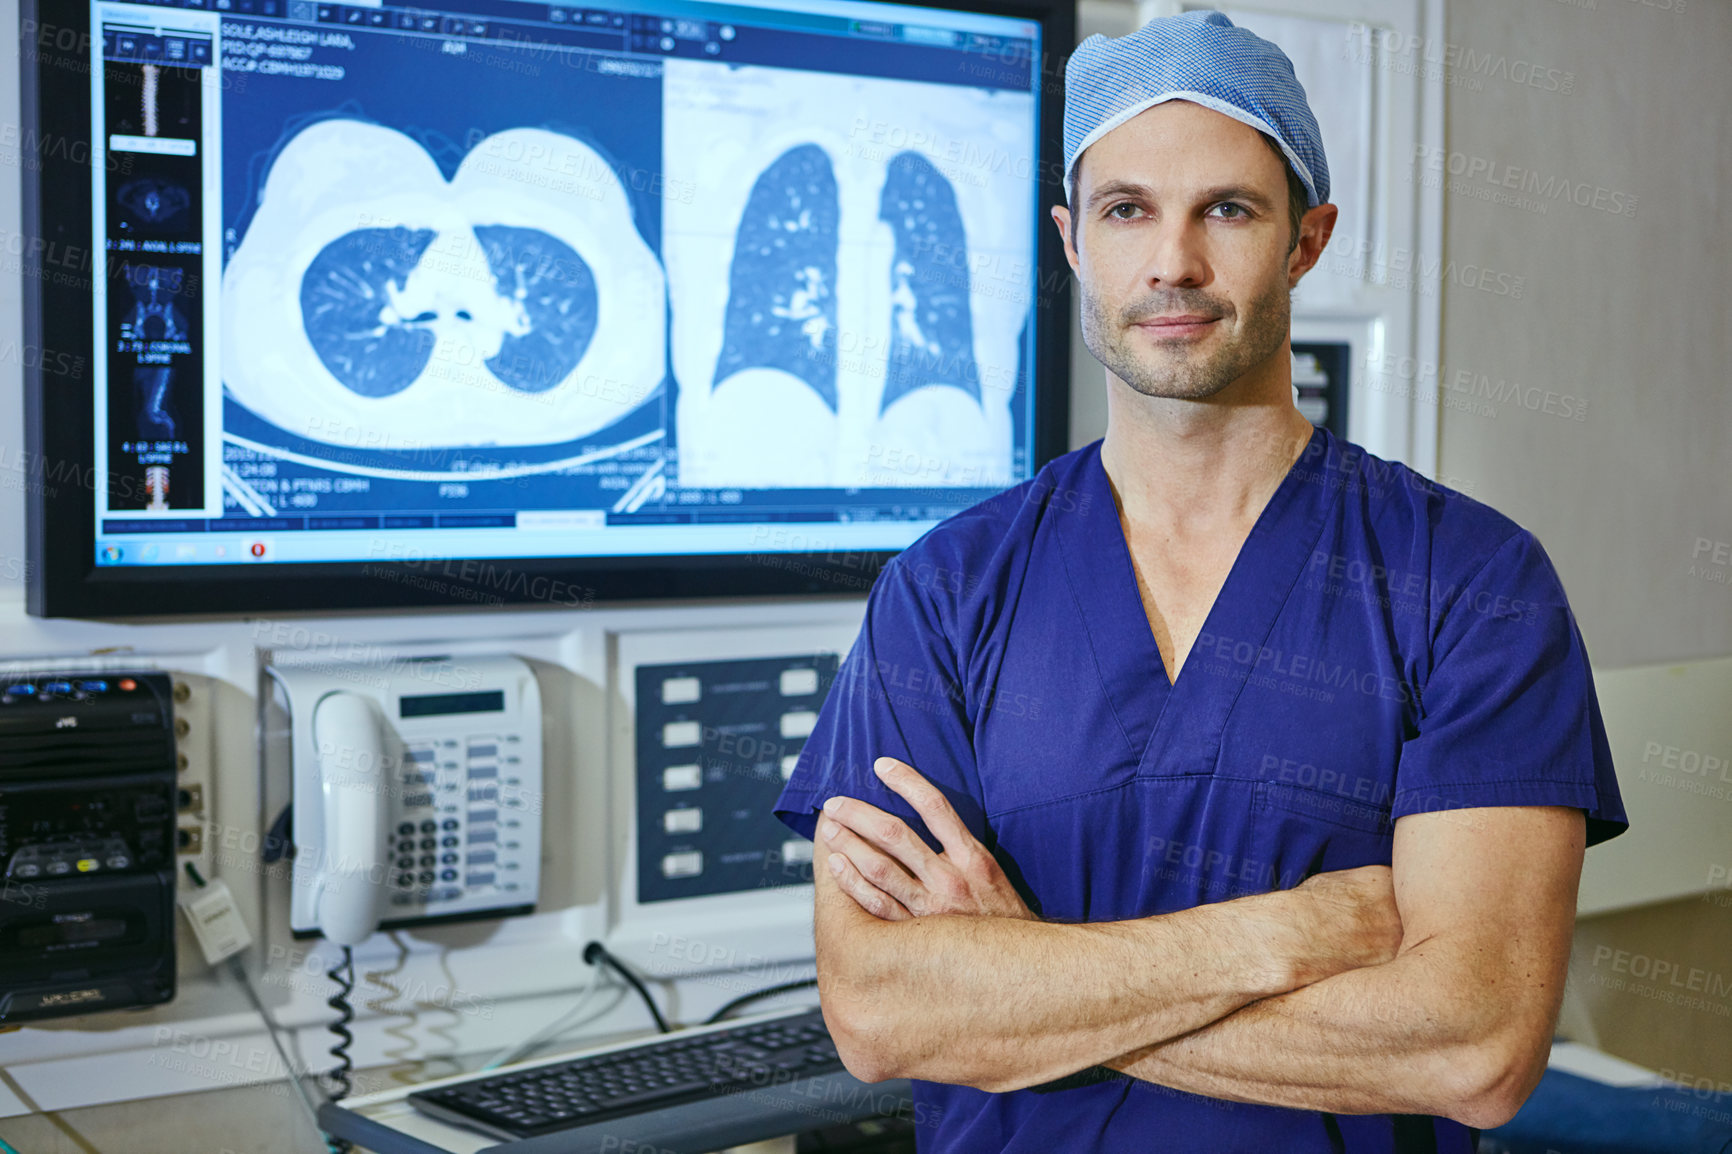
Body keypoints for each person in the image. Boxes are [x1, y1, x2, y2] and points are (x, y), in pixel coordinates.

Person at [773, 11, 1627, 1153]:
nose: (1172, 260)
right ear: (1075, 242)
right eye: (1128, 209)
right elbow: (878, 1012)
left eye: (1226, 208)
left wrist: (1016, 977)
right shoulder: (944, 591)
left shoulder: (1470, 585)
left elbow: (1470, 1049)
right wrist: (1281, 935)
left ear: (1305, 240)